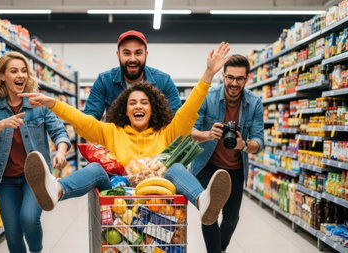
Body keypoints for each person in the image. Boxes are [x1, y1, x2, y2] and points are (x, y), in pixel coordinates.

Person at [20, 42, 233, 226]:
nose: (138, 106)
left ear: (153, 108)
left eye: (144, 102)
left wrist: (208, 74)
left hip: (157, 193)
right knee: (95, 168)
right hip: (118, 196)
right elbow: (81, 120)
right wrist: (53, 104)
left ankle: (202, 201)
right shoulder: (111, 131)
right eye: (132, 103)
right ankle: (56, 190)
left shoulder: (168, 132)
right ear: (125, 109)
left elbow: (189, 111)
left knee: (176, 167)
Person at [0, 52, 71, 253]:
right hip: (5, 179)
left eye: (24, 71)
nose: (21, 75)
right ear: (2, 75)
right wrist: (1, 124)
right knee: (13, 234)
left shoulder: (38, 102)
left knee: (28, 219)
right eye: (14, 71)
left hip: (35, 178)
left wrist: (61, 152)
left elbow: (59, 131)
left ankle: (36, 250)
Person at [190, 55, 264, 253]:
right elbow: (191, 131)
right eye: (230, 77)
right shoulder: (208, 96)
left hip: (235, 168)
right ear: (222, 76)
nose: (234, 83)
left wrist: (244, 145)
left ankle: (220, 248)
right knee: (209, 213)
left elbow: (259, 141)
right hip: (208, 165)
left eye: (239, 78)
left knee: (232, 218)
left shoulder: (255, 103)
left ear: (247, 78)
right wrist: (207, 134)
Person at [84, 30, 182, 120]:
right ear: (118, 55)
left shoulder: (164, 81)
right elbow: (89, 119)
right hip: (116, 139)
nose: (132, 59)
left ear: (146, 54)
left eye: (138, 53)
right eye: (127, 53)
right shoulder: (104, 81)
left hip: (154, 138)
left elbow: (177, 120)